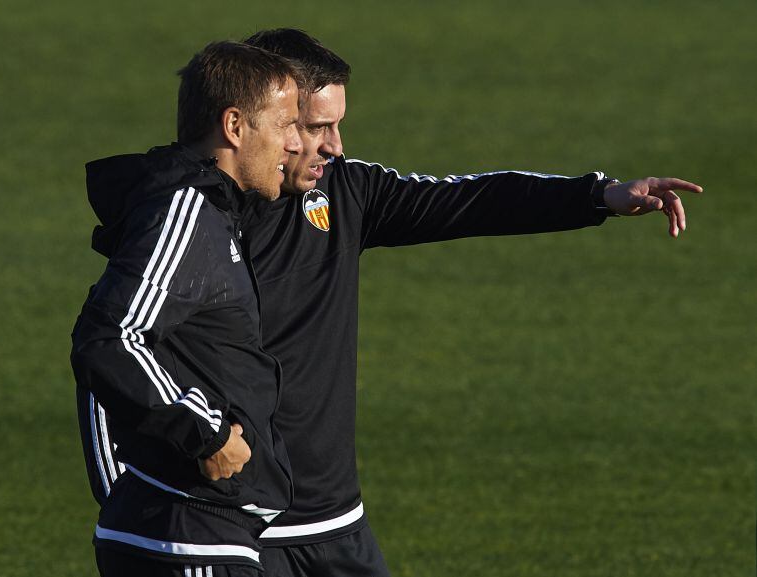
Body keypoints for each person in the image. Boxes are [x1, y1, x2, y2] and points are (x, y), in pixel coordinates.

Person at [240, 29, 703, 577]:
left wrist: (597, 196)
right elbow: (121, 351)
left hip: (339, 527)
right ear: (270, 121)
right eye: (320, 127)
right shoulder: (193, 222)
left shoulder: (344, 191)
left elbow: (473, 199)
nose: (335, 145)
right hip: (242, 533)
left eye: (338, 125)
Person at [71, 40, 304, 576]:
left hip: (194, 532)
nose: (295, 144)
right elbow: (108, 338)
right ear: (235, 126)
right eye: (286, 124)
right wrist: (208, 432)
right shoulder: (188, 213)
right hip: (188, 536)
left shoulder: (213, 213)